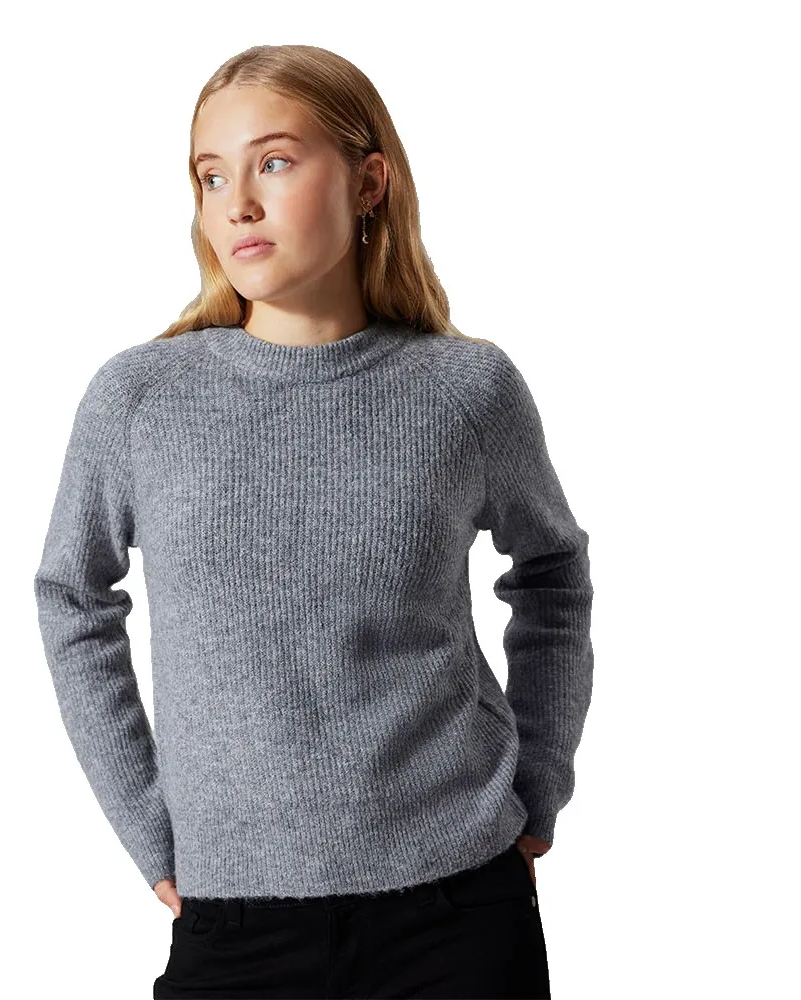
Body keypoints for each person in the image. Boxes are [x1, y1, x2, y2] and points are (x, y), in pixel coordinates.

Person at [33, 43, 593, 1000]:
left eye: (276, 162)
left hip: (457, 908)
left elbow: (552, 573)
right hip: (234, 919)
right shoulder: (141, 399)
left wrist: (540, 778)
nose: (238, 204)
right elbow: (72, 597)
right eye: (212, 176)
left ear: (369, 182)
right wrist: (147, 822)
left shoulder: (466, 391)